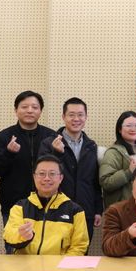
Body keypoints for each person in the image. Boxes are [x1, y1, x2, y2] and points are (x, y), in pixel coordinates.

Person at [0, 91, 56, 229]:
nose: (29, 110)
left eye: (34, 107)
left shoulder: (51, 136)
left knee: (47, 242)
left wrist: (59, 153)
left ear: (40, 111)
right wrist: (8, 153)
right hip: (14, 206)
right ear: (16, 110)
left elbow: (61, 172)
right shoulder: (4, 136)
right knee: (14, 242)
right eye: (24, 107)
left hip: (48, 205)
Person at [39, 97, 102, 242]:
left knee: (81, 252)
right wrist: (56, 153)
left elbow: (95, 181)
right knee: (54, 252)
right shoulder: (49, 143)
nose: (76, 119)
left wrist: (98, 210)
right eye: (71, 115)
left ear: (86, 117)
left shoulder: (91, 146)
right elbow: (42, 176)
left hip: (85, 211)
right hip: (55, 210)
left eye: (80, 115)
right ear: (63, 117)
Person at [3, 155, 89, 255]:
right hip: (26, 264)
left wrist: (61, 264)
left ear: (61, 178)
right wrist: (22, 235)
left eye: (52, 174)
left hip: (58, 264)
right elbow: (8, 235)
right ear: (34, 177)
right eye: (42, 174)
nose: (47, 178)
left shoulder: (75, 211)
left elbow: (79, 247)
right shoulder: (20, 207)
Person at [99, 111, 136, 210]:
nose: (133, 129)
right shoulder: (113, 153)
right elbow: (106, 182)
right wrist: (129, 172)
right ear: (119, 129)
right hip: (123, 210)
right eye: (129, 125)